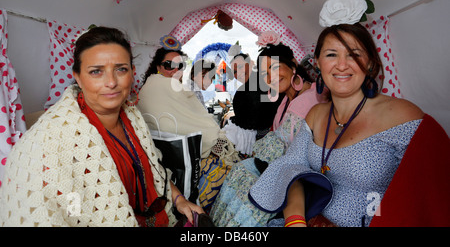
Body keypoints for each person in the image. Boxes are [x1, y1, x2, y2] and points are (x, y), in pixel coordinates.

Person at [248, 0, 450, 227]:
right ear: (318, 62)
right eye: (331, 54)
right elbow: (293, 169)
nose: (342, 65)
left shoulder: (404, 117)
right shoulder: (315, 116)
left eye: (354, 54)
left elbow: (434, 200)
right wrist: (296, 221)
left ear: (371, 62)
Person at [0, 27, 203, 227]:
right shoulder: (50, 141)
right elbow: (68, 210)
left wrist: (179, 200)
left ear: (132, 73)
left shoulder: (132, 117)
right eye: (96, 71)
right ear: (78, 77)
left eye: (121, 69)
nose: (111, 82)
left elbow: (155, 172)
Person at [210, 32, 328, 226]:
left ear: (292, 64)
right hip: (270, 166)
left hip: (293, 175)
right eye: (264, 73)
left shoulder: (316, 97)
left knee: (247, 194)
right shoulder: (282, 100)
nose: (270, 77)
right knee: (238, 171)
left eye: (274, 68)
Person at [138, 36, 240, 211]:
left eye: (180, 66)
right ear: (157, 67)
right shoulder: (170, 88)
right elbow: (206, 132)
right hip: (184, 163)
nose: (174, 70)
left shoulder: (151, 90)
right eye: (168, 65)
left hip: (164, 163)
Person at [222, 53, 282, 155]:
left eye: (241, 67)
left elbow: (255, 119)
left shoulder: (263, 83)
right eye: (235, 71)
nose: (239, 73)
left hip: (264, 140)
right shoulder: (249, 87)